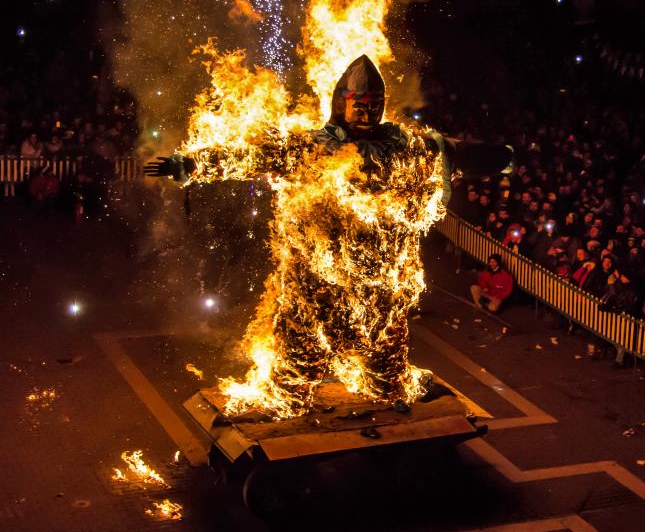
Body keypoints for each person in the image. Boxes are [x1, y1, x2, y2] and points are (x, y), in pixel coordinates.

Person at [146, 54, 512, 414]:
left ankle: (388, 385)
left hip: (379, 281)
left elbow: (460, 154)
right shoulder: (312, 147)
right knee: (299, 353)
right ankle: (288, 395)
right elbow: (252, 156)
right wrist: (190, 163)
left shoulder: (407, 147)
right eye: (360, 105)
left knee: (383, 349)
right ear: (342, 104)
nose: (367, 113)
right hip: (318, 282)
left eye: (375, 105)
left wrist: (504, 157)